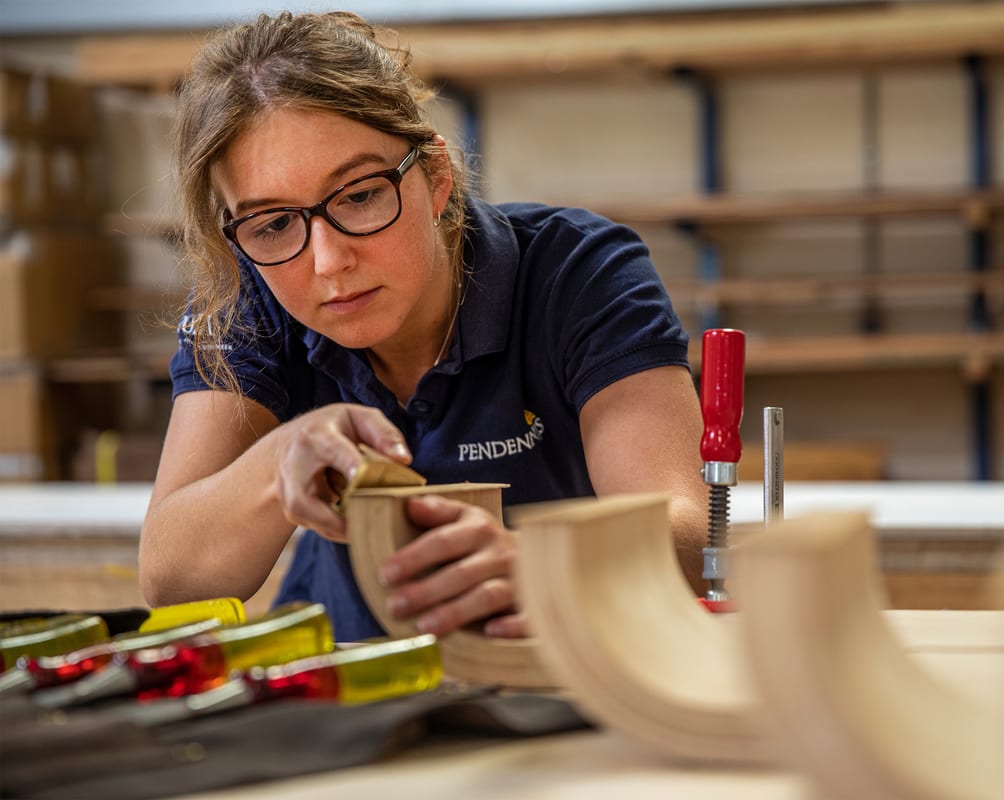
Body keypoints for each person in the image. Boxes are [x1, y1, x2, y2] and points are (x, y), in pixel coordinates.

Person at [139, 10, 710, 642]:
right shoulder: (249, 295)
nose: (328, 262)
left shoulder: (578, 272)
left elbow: (688, 526)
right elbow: (171, 579)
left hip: (564, 673)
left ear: (435, 178)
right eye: (272, 223)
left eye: (360, 195)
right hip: (356, 681)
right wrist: (280, 461)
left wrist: (556, 569)